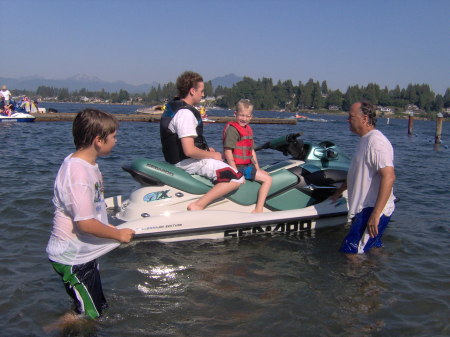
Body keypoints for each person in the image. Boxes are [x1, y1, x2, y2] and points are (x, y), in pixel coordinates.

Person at [46, 109, 135, 324]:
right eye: (113, 136)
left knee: (96, 306)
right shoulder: (77, 172)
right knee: (91, 316)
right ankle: (58, 327)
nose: (116, 140)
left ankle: (58, 324)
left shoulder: (87, 164)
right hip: (72, 258)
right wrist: (117, 234)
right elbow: (84, 223)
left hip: (83, 253)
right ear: (98, 140)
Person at [160, 71, 244, 211]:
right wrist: (213, 155)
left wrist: (206, 151)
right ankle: (198, 205)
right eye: (202, 91)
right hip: (187, 162)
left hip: (179, 159)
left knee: (218, 159)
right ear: (192, 91)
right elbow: (189, 150)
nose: (203, 94)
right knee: (236, 178)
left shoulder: (174, 107)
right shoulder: (185, 114)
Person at [331, 101, 396, 254]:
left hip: (371, 209)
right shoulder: (364, 140)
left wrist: (375, 214)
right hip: (364, 209)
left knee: (350, 253)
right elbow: (356, 174)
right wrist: (338, 192)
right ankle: (376, 275)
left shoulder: (376, 142)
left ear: (365, 119)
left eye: (351, 116)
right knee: (371, 249)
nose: (348, 120)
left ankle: (358, 278)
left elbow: (389, 177)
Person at [223, 99, 272, 213]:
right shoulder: (233, 130)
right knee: (268, 180)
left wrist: (258, 169)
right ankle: (259, 209)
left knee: (264, 174)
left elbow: (252, 152)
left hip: (246, 166)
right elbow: (228, 151)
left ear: (251, 117)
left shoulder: (247, 129)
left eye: (247, 116)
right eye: (241, 115)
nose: (244, 119)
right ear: (235, 114)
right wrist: (235, 171)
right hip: (239, 168)